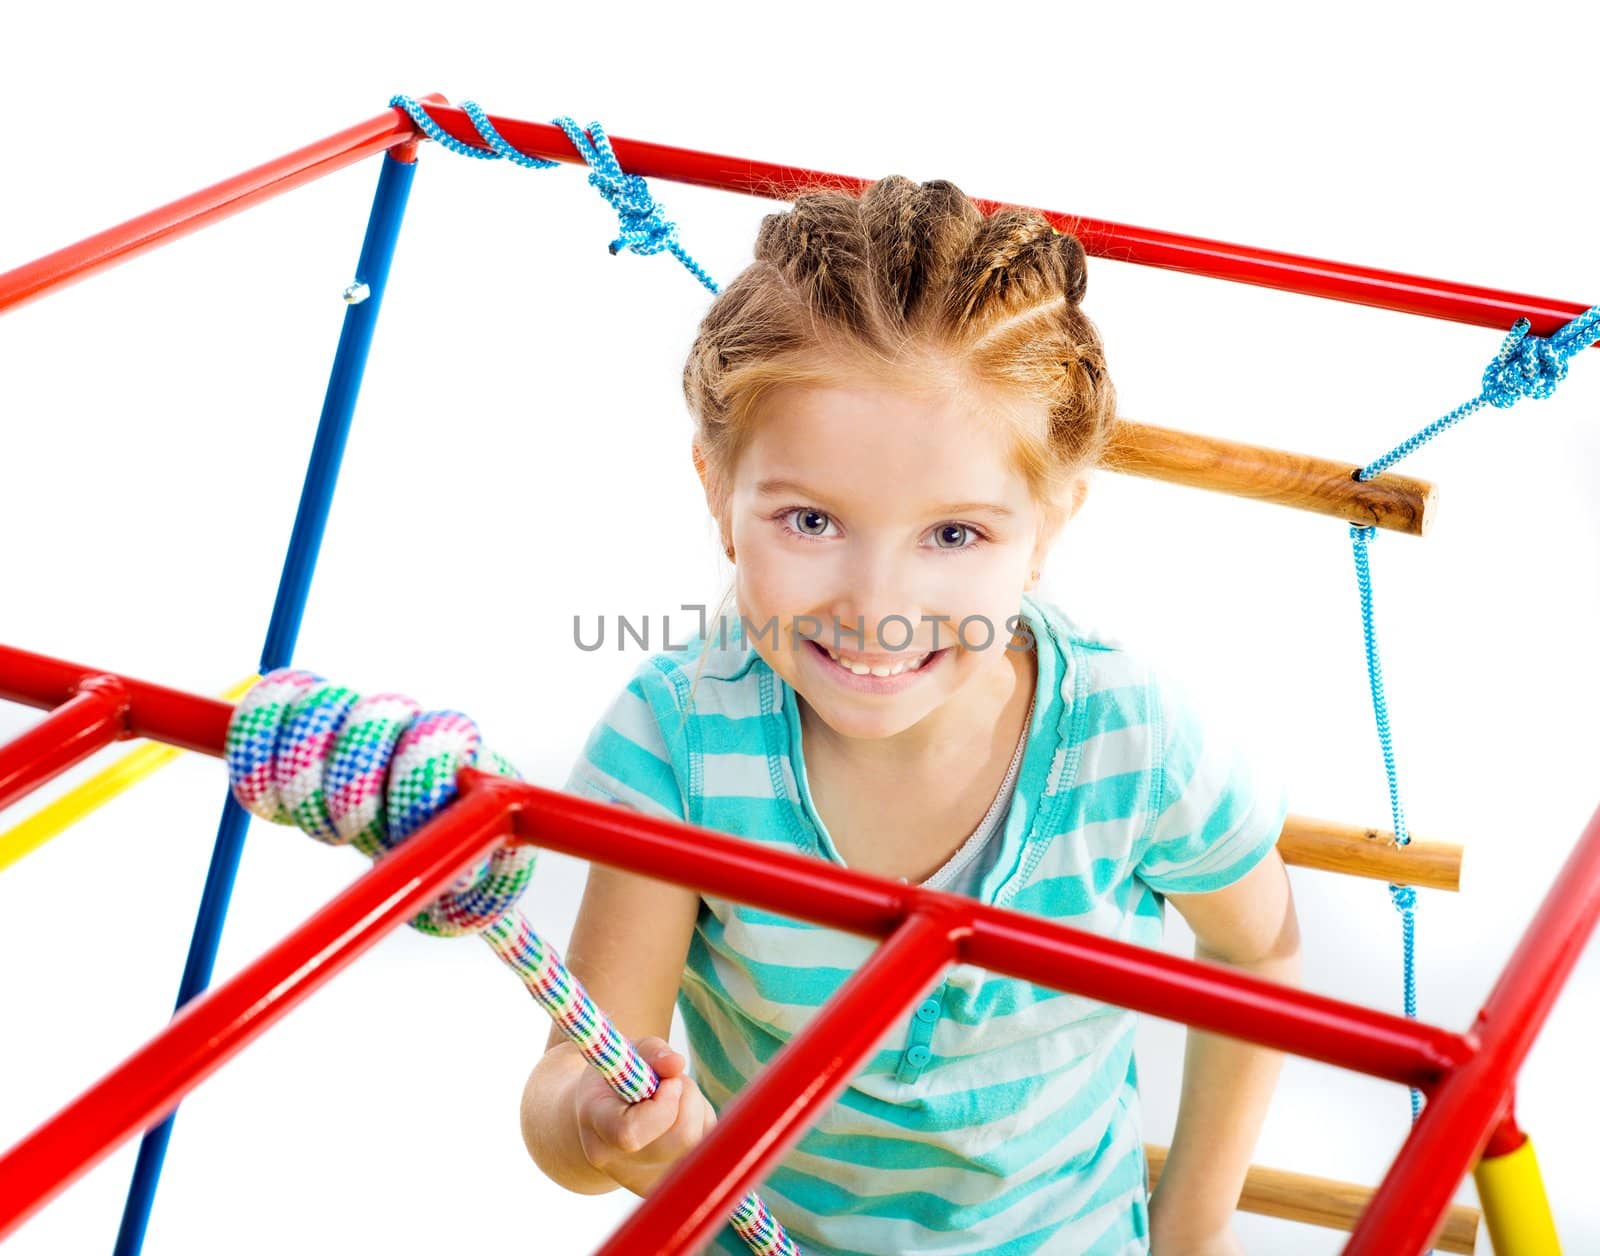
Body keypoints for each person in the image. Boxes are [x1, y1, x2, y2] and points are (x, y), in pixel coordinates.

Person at [520, 176, 1301, 1255]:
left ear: (1047, 523)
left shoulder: (1131, 743)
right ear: (716, 488)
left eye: (954, 536)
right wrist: (604, 1124)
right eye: (810, 518)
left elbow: (1258, 953)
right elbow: (572, 1075)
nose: (876, 609)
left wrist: (1193, 1228)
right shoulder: (680, 743)